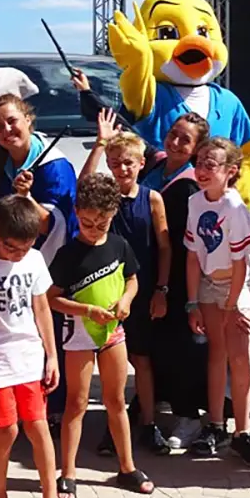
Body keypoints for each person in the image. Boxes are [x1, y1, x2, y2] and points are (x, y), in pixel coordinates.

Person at [0, 195, 79, 498]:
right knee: (6, 431)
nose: (19, 253)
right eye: (12, 247)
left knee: (38, 427)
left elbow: (42, 309)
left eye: (27, 246)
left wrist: (51, 355)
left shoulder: (33, 260)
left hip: (29, 356)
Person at [47, 173, 155, 498]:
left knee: (116, 402)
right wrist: (84, 310)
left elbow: (132, 280)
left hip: (114, 334)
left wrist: (125, 301)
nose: (94, 229)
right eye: (87, 222)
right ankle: (67, 473)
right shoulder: (67, 255)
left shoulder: (119, 245)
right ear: (77, 212)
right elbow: (51, 297)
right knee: (76, 405)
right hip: (79, 336)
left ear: (112, 215)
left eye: (102, 223)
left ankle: (127, 467)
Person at [80, 116, 171, 454]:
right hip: (104, 293)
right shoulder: (103, 196)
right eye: (115, 162)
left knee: (142, 359)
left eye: (128, 162)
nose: (122, 168)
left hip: (142, 291)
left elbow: (164, 247)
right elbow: (83, 185)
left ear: (142, 163)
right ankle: (112, 427)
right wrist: (102, 141)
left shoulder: (152, 199)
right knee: (109, 364)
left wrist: (161, 289)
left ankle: (148, 423)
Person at [185, 138, 250, 467]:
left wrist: (234, 304)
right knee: (216, 353)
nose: (202, 170)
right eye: (199, 162)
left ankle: (242, 430)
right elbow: (192, 256)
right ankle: (216, 424)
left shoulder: (235, 207)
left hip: (235, 288)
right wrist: (192, 302)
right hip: (207, 286)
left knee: (239, 356)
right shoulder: (195, 202)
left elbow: (240, 264)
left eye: (211, 165)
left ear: (230, 172)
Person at [140, 113, 211, 449]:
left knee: (180, 347)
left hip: (177, 277)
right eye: (173, 134)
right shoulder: (154, 167)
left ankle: (189, 416)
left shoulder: (188, 185)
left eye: (185, 139)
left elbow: (182, 243)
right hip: (148, 271)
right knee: (152, 344)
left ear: (197, 148)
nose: (175, 142)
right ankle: (150, 402)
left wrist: (166, 288)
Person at [0, 94, 77, 263]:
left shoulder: (55, 168)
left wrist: (26, 196)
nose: (7, 130)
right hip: (6, 256)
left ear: (27, 119)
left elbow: (55, 227)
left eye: (12, 121)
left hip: (46, 262)